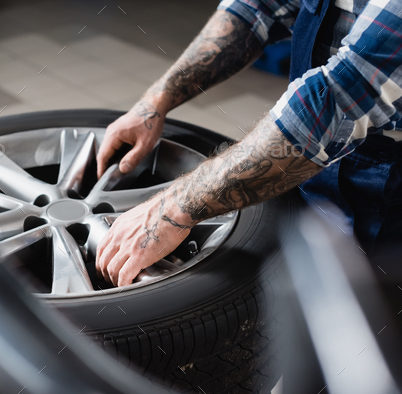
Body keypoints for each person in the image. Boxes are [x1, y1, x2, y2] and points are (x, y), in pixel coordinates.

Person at [95, 0, 402, 287]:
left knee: (364, 314)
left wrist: (170, 209)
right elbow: (258, 7)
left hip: (385, 176)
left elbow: (338, 98)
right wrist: (154, 102)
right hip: (310, 149)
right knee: (307, 281)